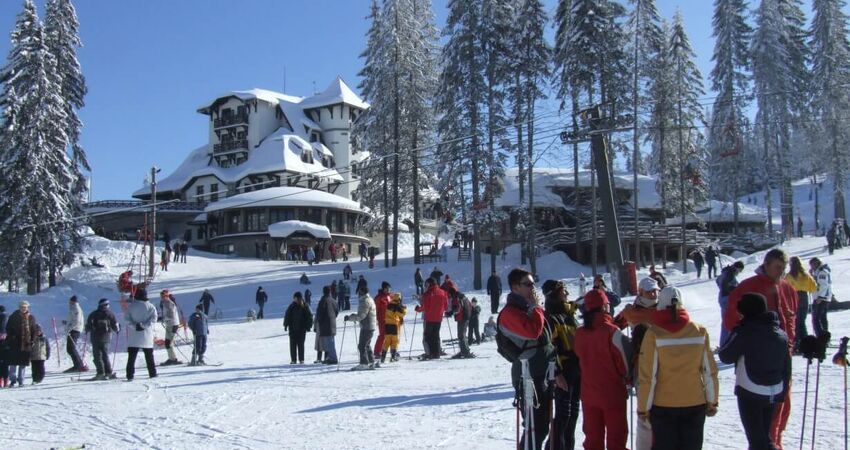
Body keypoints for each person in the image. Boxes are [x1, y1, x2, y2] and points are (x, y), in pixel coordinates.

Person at [724, 249, 797, 448]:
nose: (781, 272)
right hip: (754, 360)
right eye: (778, 268)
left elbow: (793, 318)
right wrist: (749, 337)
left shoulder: (787, 288)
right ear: (766, 264)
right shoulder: (748, 287)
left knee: (781, 407)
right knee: (758, 421)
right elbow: (732, 318)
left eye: (784, 268)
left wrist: (791, 341)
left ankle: (775, 443)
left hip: (781, 357)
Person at [637, 286, 719, 450]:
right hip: (694, 402)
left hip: (663, 405)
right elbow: (709, 371)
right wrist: (712, 400)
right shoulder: (699, 331)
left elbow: (648, 376)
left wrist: (643, 408)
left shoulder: (654, 334)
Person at [718, 293, 791, 450]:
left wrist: (736, 331)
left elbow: (725, 355)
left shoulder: (745, 331)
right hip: (774, 388)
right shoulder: (779, 332)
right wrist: (782, 392)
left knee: (756, 439)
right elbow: (787, 365)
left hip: (750, 388)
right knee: (765, 435)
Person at [497, 268, 555, 450]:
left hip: (542, 372)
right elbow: (532, 332)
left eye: (533, 283)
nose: (532, 288)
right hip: (527, 375)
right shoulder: (509, 313)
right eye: (528, 284)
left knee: (542, 426)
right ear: (515, 287)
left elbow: (546, 338)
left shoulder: (527, 309)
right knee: (534, 428)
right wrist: (537, 309)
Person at [574, 288, 631, 450]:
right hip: (612, 393)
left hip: (589, 394)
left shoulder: (580, 333)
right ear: (606, 307)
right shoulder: (613, 332)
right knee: (616, 440)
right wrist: (628, 378)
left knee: (592, 440)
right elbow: (625, 363)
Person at [613, 276, 659, 450]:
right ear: (640, 292)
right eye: (649, 291)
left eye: (655, 291)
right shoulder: (632, 310)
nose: (654, 294)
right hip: (640, 362)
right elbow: (613, 326)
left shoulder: (663, 308)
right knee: (645, 412)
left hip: (662, 360)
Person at [541, 279, 581, 450]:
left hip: (576, 369)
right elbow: (549, 349)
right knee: (563, 416)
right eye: (563, 291)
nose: (566, 293)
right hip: (563, 370)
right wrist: (556, 373)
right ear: (554, 295)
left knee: (572, 416)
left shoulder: (570, 315)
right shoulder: (551, 318)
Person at [784, 257, 817, 352]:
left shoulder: (789, 276)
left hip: (793, 297)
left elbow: (784, 287)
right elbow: (814, 287)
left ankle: (797, 341)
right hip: (804, 297)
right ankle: (805, 340)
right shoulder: (805, 275)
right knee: (802, 320)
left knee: (796, 321)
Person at [125, 288, 158, 381]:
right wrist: (144, 325)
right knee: (149, 356)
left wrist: (135, 326)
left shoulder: (131, 306)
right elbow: (154, 319)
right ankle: (152, 373)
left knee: (131, 357)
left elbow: (127, 319)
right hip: (146, 334)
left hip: (134, 335)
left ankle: (130, 375)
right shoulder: (151, 306)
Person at [85, 298, 120, 379]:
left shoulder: (93, 314)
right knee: (105, 355)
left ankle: (101, 372)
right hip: (106, 337)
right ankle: (108, 372)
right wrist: (117, 330)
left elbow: (88, 325)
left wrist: (87, 329)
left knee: (97, 355)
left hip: (95, 337)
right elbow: (115, 326)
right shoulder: (110, 314)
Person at [345, 284, 377, 370]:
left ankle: (364, 363)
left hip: (367, 326)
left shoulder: (365, 301)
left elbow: (361, 316)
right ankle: (371, 361)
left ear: (362, 292)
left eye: (359, 292)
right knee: (366, 345)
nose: (358, 294)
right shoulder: (369, 299)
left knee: (362, 345)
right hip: (370, 325)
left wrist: (350, 318)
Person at [5, 300, 37, 387]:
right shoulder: (13, 316)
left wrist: (32, 340)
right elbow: (8, 328)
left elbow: (34, 330)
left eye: (25, 307)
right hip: (15, 342)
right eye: (22, 307)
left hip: (26, 343)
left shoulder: (31, 318)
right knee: (13, 363)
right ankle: (12, 380)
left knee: (23, 363)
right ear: (19, 307)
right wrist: (12, 336)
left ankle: (21, 380)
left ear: (27, 308)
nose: (23, 308)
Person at [416, 277, 448, 359]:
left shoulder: (427, 294)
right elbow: (446, 306)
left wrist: (418, 309)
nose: (425, 286)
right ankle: (436, 353)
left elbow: (425, 307)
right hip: (438, 318)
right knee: (436, 336)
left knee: (428, 336)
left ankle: (430, 353)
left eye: (426, 284)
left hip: (429, 318)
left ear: (430, 284)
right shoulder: (443, 292)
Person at [716, 261, 745, 347]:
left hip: (723, 298)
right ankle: (726, 344)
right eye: (740, 271)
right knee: (729, 321)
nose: (739, 273)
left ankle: (726, 343)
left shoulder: (726, 271)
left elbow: (718, 281)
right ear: (738, 268)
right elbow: (726, 285)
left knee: (727, 321)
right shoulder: (730, 273)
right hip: (727, 299)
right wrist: (736, 289)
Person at [284, 292, 313, 364]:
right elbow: (287, 316)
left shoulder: (305, 306)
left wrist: (308, 326)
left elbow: (310, 316)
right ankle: (293, 359)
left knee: (301, 344)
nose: (294, 299)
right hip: (292, 329)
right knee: (293, 345)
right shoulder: (292, 306)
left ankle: (301, 359)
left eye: (295, 298)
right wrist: (286, 324)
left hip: (301, 329)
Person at [62, 295, 87, 372]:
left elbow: (77, 321)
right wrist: (67, 323)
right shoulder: (73, 308)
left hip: (75, 330)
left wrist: (70, 328)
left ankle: (79, 365)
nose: (69, 303)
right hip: (73, 329)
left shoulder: (76, 309)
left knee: (71, 348)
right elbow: (73, 320)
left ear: (73, 301)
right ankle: (78, 364)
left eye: (70, 301)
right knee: (70, 348)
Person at [316, 285, 339, 364]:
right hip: (332, 324)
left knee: (329, 343)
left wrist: (320, 321)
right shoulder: (333, 300)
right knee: (331, 342)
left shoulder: (323, 300)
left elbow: (319, 313)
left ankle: (333, 358)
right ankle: (330, 357)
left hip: (325, 325)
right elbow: (337, 312)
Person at [380, 293, 407, 363]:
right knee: (394, 341)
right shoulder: (397, 306)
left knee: (387, 341)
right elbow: (402, 314)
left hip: (387, 325)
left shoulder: (389, 304)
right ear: (399, 299)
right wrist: (404, 308)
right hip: (394, 325)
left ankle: (383, 356)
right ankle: (393, 356)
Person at [810, 257, 831, 341]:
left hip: (821, 298)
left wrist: (820, 297)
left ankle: (821, 337)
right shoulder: (818, 272)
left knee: (816, 319)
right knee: (822, 318)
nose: (811, 267)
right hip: (821, 297)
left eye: (812, 265)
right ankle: (825, 337)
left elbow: (823, 285)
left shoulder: (822, 272)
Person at [449, 289, 473, 359]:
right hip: (466, 317)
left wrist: (450, 313)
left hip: (462, 318)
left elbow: (458, 309)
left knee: (461, 335)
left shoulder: (456, 298)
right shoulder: (462, 297)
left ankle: (465, 352)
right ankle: (465, 350)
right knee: (463, 335)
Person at [159, 290, 182, 365]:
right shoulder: (165, 303)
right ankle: (172, 358)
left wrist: (163, 318)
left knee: (168, 343)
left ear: (167, 296)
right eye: (161, 296)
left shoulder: (168, 303)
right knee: (168, 342)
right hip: (170, 324)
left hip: (173, 324)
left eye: (163, 296)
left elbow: (171, 315)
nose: (162, 298)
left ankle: (173, 359)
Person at [373, 282, 392, 359]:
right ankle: (377, 351)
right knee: (382, 335)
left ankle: (393, 351)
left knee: (392, 335)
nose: (388, 290)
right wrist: (376, 318)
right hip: (382, 319)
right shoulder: (379, 298)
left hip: (391, 319)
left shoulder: (390, 296)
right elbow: (375, 309)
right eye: (386, 289)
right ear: (383, 289)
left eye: (389, 289)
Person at [0, 305, 8, 387]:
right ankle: (5, 381)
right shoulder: (6, 317)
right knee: (4, 364)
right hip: (5, 342)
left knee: (3, 364)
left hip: (4, 342)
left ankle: (4, 381)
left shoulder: (4, 317)